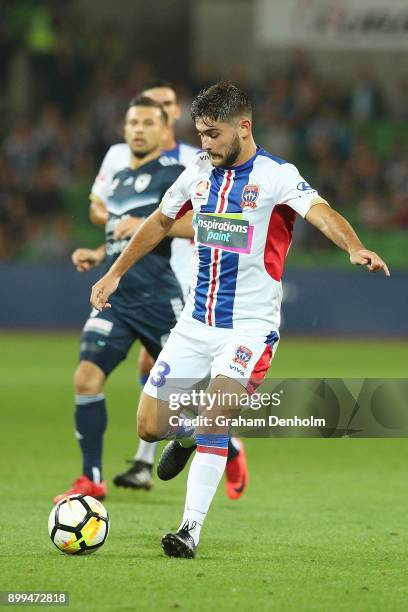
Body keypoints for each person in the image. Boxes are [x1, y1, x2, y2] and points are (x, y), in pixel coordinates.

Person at [90, 82, 390, 558]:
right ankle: (189, 433)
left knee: (215, 413)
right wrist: (114, 274)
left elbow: (320, 211)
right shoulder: (198, 172)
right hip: (195, 324)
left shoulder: (276, 176)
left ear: (243, 127)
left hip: (248, 328)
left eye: (213, 134)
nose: (205, 144)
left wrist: (353, 246)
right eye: (200, 134)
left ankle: (189, 529)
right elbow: (161, 222)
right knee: (148, 427)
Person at [90, 80, 248, 496]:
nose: (147, 117)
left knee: (180, 384)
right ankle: (148, 461)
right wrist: (102, 253)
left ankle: (227, 444)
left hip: (189, 280)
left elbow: (220, 228)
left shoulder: (203, 158)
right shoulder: (125, 161)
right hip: (149, 276)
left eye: (161, 106)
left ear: (171, 116)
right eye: (139, 112)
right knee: (150, 374)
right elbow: (121, 221)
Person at [53, 95, 193, 503]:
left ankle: (207, 443)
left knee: (183, 403)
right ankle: (91, 477)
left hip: (158, 299)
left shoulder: (176, 174)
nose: (138, 129)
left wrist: (154, 225)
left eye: (148, 123)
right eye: (132, 122)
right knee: (86, 378)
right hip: (117, 298)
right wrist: (98, 254)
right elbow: (121, 240)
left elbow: (202, 226)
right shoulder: (117, 182)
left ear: (164, 130)